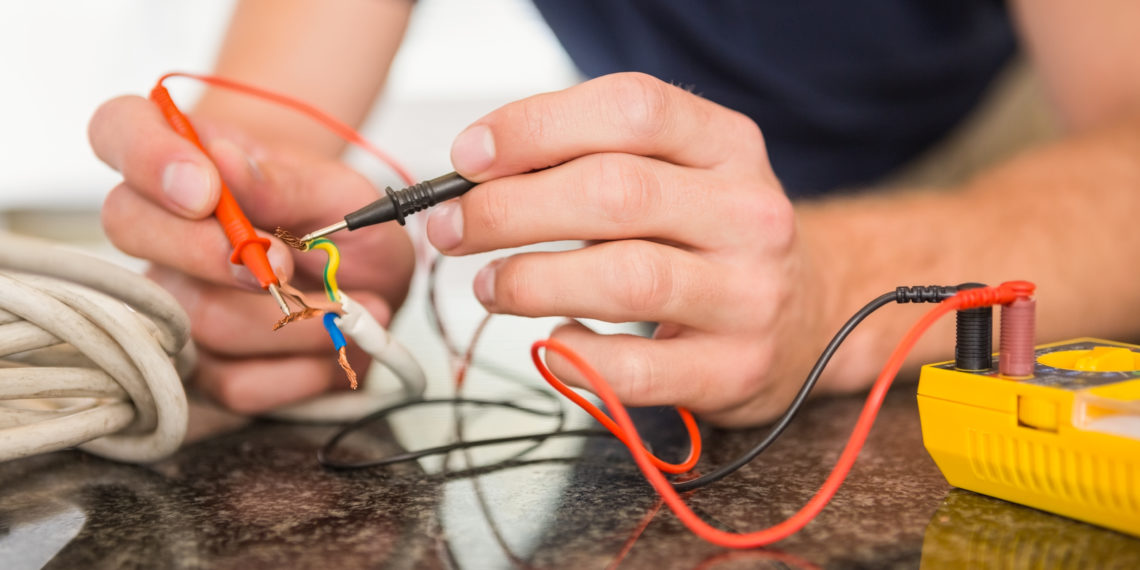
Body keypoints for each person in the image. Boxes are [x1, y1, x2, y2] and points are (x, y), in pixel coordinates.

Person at [89, 1, 1140, 426]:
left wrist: (829, 283)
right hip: (702, 234)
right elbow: (258, 159)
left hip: (1012, 170)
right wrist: (240, 252)